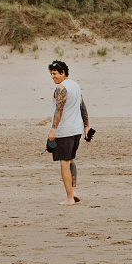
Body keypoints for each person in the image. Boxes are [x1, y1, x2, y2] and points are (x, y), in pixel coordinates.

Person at [47, 60, 91, 205]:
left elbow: (58, 110)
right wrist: (86, 126)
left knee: (64, 163)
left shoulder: (61, 88)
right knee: (71, 160)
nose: (52, 77)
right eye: (51, 74)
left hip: (65, 131)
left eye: (54, 74)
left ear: (62, 73)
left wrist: (53, 129)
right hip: (77, 130)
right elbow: (82, 105)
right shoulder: (75, 85)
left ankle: (69, 198)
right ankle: (74, 191)